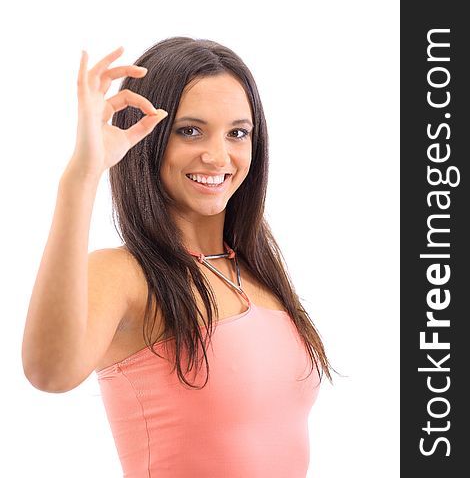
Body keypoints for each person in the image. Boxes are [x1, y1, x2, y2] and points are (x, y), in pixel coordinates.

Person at [22, 36, 333, 477]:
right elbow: (48, 373)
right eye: (190, 130)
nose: (217, 155)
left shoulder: (258, 270)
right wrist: (82, 176)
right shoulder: (125, 275)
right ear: (148, 138)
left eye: (237, 133)